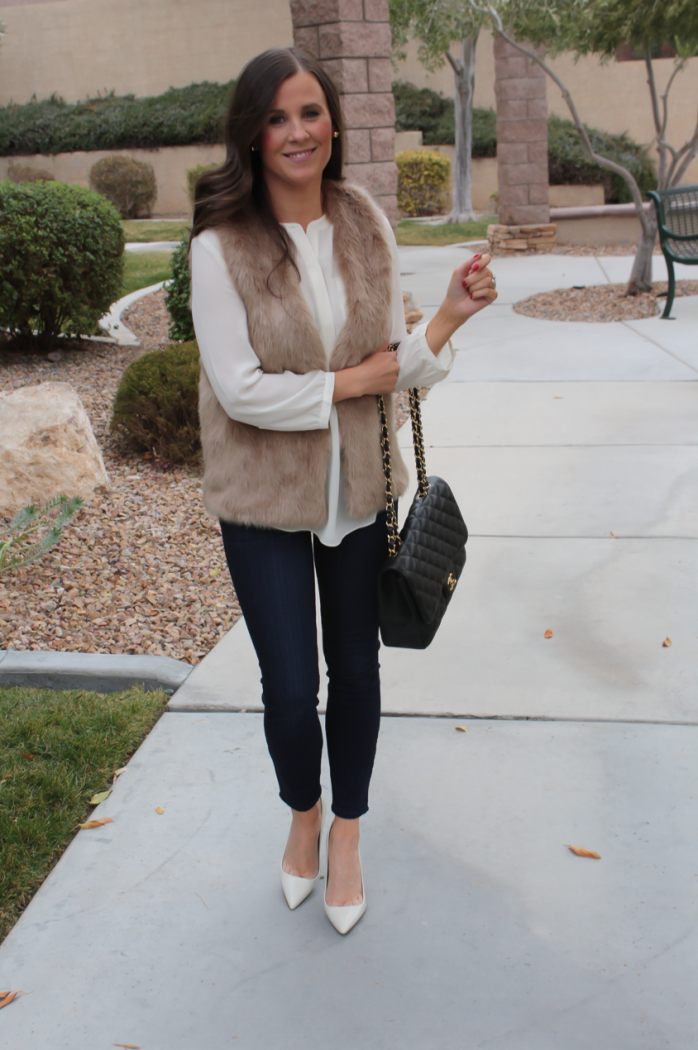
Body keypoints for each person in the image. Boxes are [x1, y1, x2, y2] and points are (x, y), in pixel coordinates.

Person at [189, 47, 497, 935]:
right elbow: (241, 387)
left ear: (333, 124)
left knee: (354, 671)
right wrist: (351, 384)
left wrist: (444, 319)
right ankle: (303, 812)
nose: (298, 132)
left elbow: (397, 366)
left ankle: (349, 831)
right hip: (263, 502)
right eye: (279, 117)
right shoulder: (219, 246)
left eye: (311, 113)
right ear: (252, 134)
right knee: (289, 688)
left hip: (359, 491)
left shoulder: (363, 219)